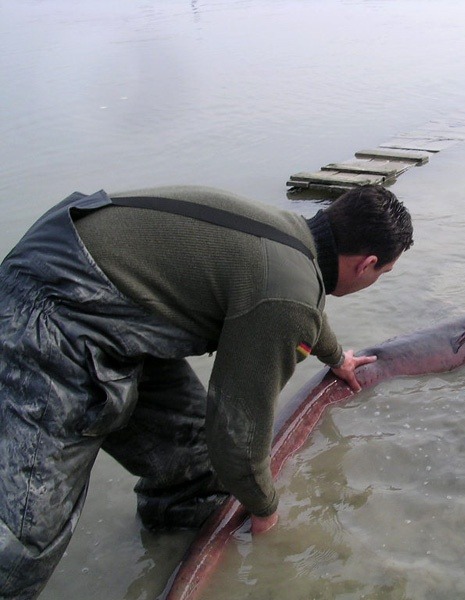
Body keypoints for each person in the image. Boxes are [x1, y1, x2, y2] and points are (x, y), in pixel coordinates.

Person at [0, 184, 413, 599]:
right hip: (52, 305)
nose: (376, 280)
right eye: (384, 274)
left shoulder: (290, 238)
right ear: (367, 264)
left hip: (102, 286)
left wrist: (337, 357)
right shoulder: (288, 293)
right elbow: (235, 429)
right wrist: (265, 512)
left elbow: (298, 309)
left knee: (193, 461)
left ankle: (164, 556)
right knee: (26, 532)